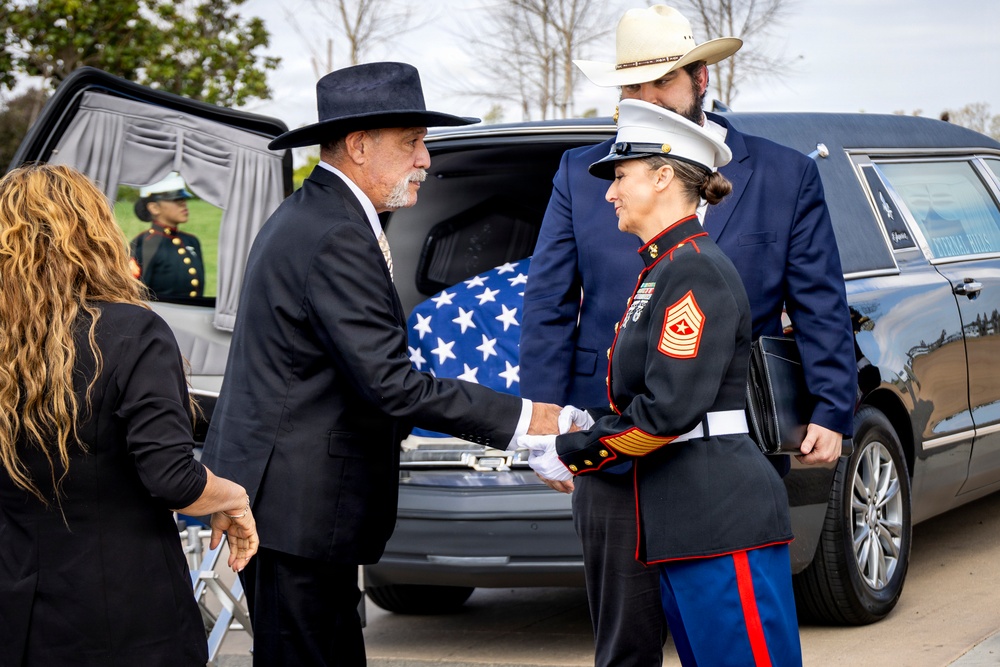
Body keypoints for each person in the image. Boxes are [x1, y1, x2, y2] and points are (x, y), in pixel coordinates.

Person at [519, 5, 857, 666]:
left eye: (661, 81)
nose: (645, 97)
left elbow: (819, 299)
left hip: (724, 449)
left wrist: (831, 406)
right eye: (631, 86)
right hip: (615, 447)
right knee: (626, 640)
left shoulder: (784, 173)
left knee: (729, 639)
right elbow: (548, 299)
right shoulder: (585, 173)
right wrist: (546, 413)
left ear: (700, 78)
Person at [199, 62, 561, 667]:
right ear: (359, 146)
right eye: (412, 142)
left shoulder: (319, 215)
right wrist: (528, 421)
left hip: (300, 508)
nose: (425, 159)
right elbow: (389, 383)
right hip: (296, 512)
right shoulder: (334, 232)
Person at [0, 164, 258, 667]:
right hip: (120, 613)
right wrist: (234, 496)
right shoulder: (131, 331)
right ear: (93, 235)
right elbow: (171, 478)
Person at [129, 171, 205, 299]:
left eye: (183, 199)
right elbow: (136, 294)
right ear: (154, 208)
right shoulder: (145, 243)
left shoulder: (191, 241)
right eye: (175, 199)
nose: (183, 203)